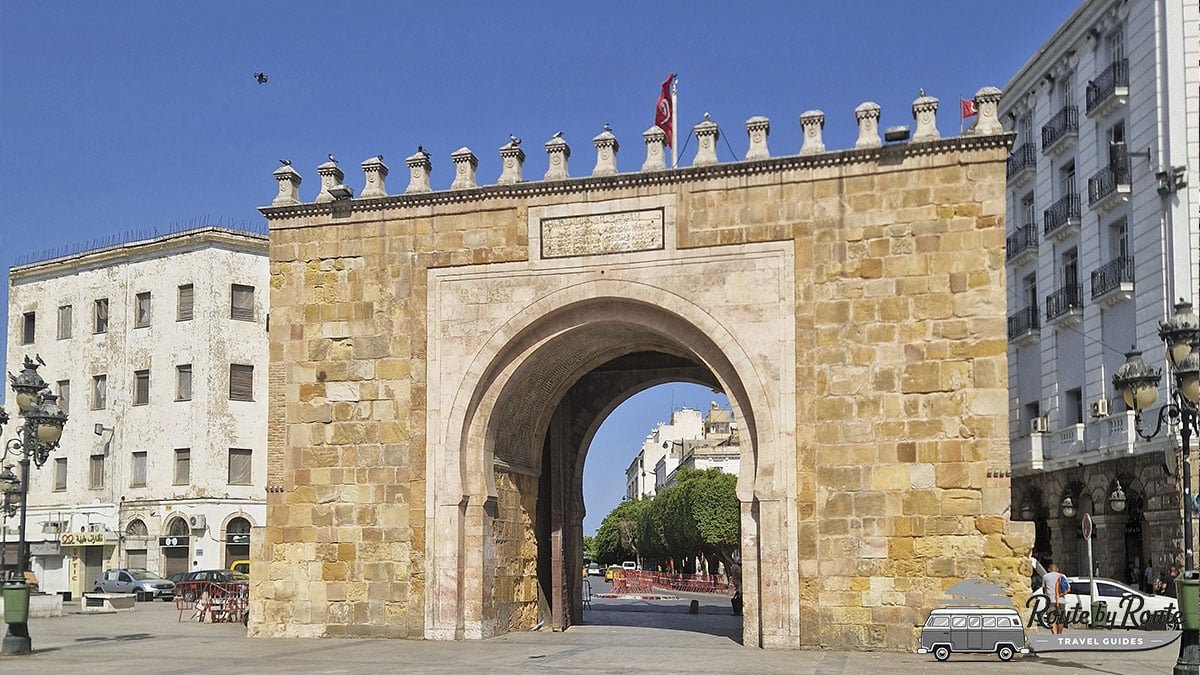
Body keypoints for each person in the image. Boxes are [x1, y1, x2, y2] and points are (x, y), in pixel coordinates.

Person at [1041, 562, 1068, 635]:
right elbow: (1067, 589)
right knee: (1061, 618)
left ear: (1049, 569)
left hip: (1050, 600)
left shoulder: (1045, 576)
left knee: (1051, 618)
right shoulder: (1062, 576)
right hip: (1061, 600)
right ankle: (1059, 634)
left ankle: (1054, 635)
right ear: (1057, 569)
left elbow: (1044, 589)